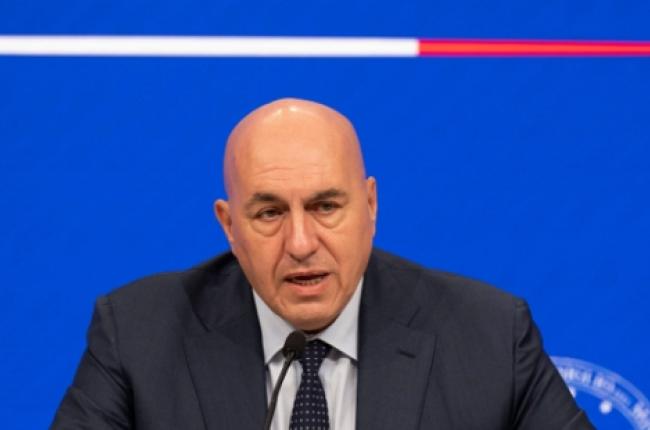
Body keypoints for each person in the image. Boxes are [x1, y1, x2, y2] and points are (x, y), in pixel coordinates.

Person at [52, 98, 594, 429]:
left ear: (371, 206)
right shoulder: (139, 335)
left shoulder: (489, 337)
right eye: (269, 213)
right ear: (229, 226)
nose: (301, 242)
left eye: (325, 207)